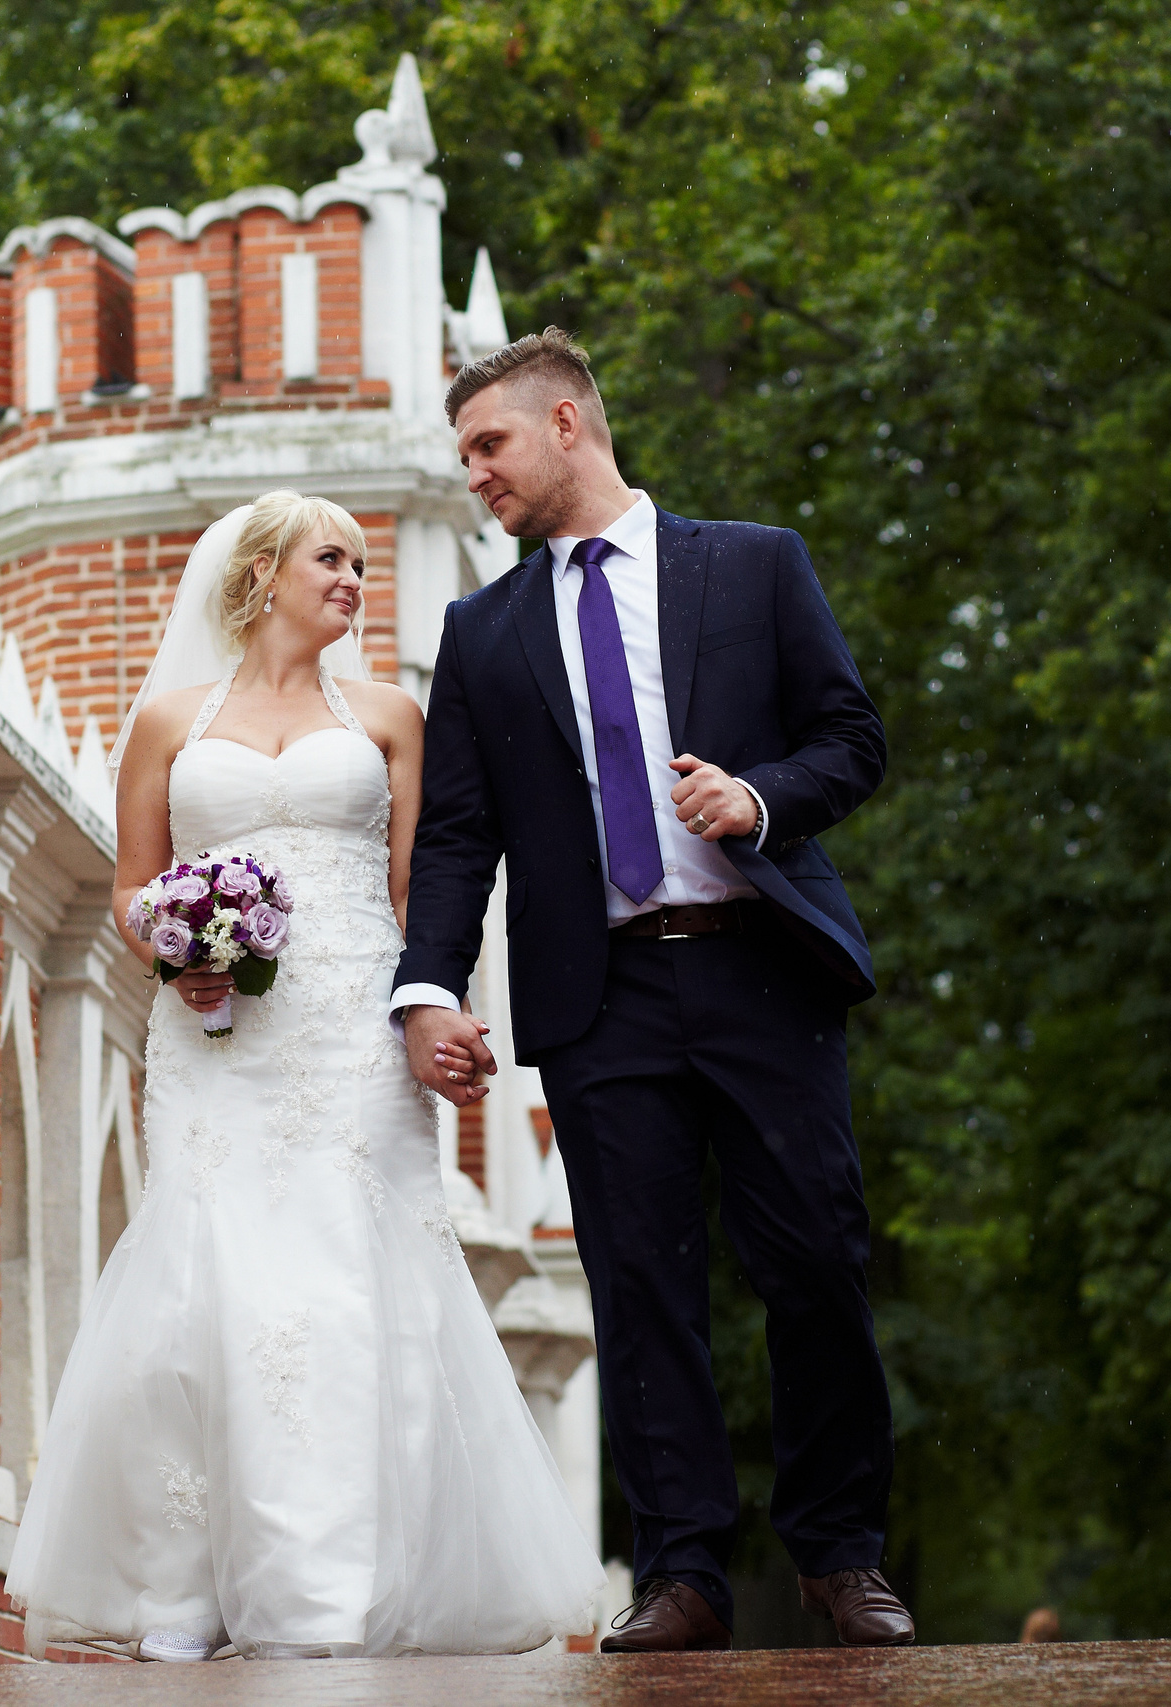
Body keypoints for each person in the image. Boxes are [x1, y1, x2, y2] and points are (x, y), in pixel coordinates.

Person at [6, 491, 603, 1661]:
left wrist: (437, 1013)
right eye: (330, 560)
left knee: (347, 1286)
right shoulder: (168, 720)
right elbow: (134, 882)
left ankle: (337, 1588)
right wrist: (175, 949)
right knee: (206, 1287)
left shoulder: (389, 714)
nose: (351, 580)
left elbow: (420, 889)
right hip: (217, 1037)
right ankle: (187, 1591)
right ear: (261, 573)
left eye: (360, 564)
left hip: (349, 1036)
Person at [393, 329, 911, 1652]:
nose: (477, 477)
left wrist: (758, 796)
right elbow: (457, 833)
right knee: (640, 1285)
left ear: (567, 423)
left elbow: (852, 737)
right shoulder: (483, 631)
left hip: (758, 960)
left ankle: (842, 1552)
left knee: (813, 1261)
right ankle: (684, 1566)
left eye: (489, 445)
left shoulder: (753, 564)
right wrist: (428, 987)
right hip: (602, 994)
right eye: (463, 457)